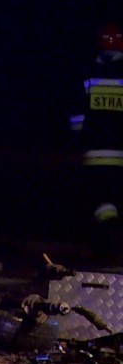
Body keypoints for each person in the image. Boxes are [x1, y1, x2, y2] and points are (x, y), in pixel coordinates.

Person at [79, 23, 123, 256]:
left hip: (95, 151)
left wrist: (78, 135)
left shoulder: (90, 72)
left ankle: (107, 237)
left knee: (99, 199)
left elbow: (77, 110)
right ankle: (111, 237)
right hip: (119, 151)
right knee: (111, 200)